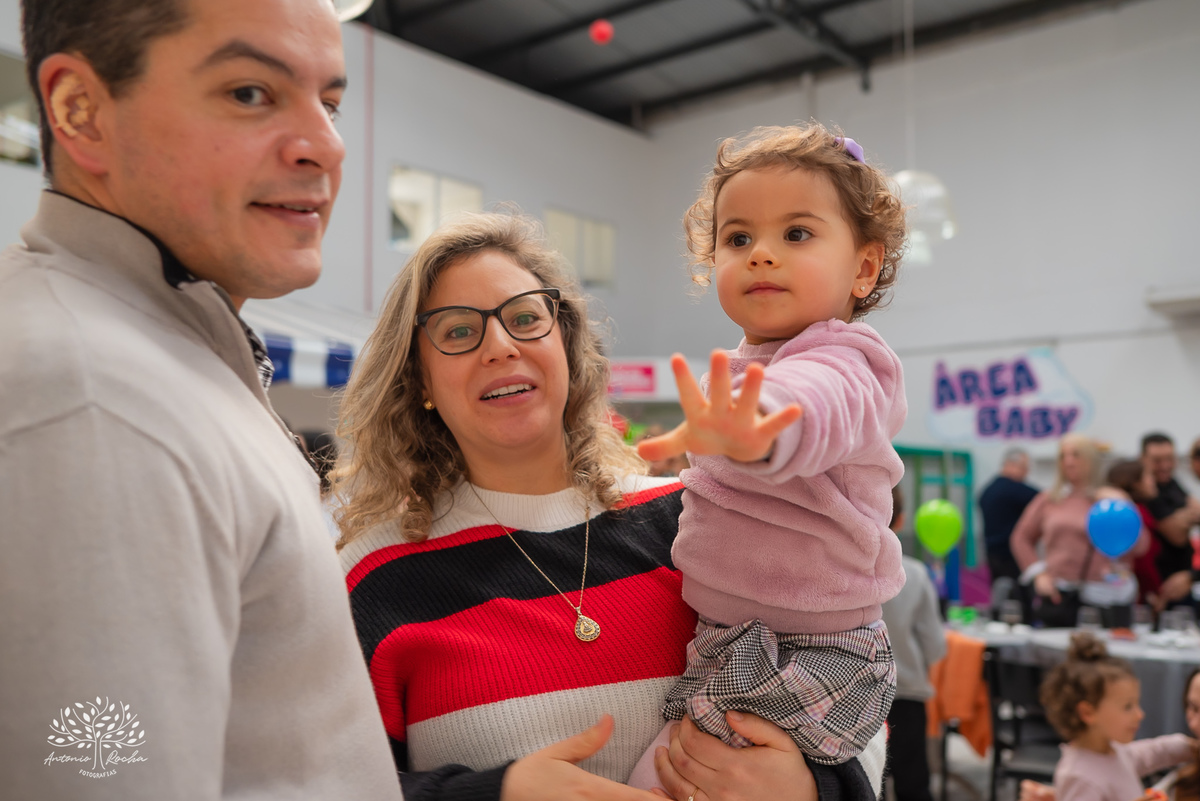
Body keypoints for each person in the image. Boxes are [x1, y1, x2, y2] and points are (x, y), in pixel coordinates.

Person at [332, 212, 882, 801]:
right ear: (419, 379)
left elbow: (846, 670)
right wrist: (498, 794)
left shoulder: (696, 519)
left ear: (566, 345)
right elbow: (317, 783)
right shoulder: (373, 578)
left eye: (524, 319)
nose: (500, 346)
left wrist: (812, 788)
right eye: (458, 332)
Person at [0, 1, 403, 798]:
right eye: (251, 92)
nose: (324, 145)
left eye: (329, 102)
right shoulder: (93, 400)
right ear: (80, 111)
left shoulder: (164, 352)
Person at [627, 123, 907, 787]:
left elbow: (817, 404)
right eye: (738, 237)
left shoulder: (848, 361)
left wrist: (763, 429)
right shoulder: (744, 370)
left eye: (798, 234)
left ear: (863, 267)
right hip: (738, 638)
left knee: (661, 776)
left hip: (815, 650)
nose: (761, 254)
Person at [1011, 434, 1149, 629]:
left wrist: (1124, 504)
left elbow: (1141, 545)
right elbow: (1020, 538)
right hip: (1061, 595)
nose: (1069, 462)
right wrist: (1038, 574)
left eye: (1076, 455)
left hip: (1106, 595)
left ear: (1091, 460)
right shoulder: (1050, 499)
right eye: (1063, 456)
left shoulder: (1109, 500)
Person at [1037, 633, 1194, 801]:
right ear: (1088, 713)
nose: (1140, 714)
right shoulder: (1079, 778)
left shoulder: (1113, 751)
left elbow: (1155, 752)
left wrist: (1191, 747)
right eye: (1128, 707)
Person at [881, 486, 947, 801]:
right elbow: (935, 645)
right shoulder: (917, 574)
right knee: (913, 784)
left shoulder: (839, 569)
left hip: (851, 696)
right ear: (902, 520)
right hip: (906, 694)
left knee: (865, 784)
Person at [1142, 433, 1200, 609]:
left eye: (1169, 459)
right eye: (1157, 460)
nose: (1165, 466)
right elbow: (1176, 534)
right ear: (1143, 459)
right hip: (1152, 588)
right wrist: (1190, 516)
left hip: (1182, 583)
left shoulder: (1173, 485)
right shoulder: (1144, 489)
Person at [1105, 458, 1167, 608]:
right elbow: (1142, 562)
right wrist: (1154, 592)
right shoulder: (1137, 515)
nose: (1153, 481)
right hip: (1137, 595)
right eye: (1148, 476)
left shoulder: (1121, 513)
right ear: (1135, 483)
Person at [979, 448, 1040, 584]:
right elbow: (1045, 500)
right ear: (1012, 465)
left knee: (999, 595)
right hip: (1013, 555)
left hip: (991, 553)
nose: (1026, 473)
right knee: (1020, 598)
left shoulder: (987, 491)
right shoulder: (1016, 490)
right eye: (1024, 468)